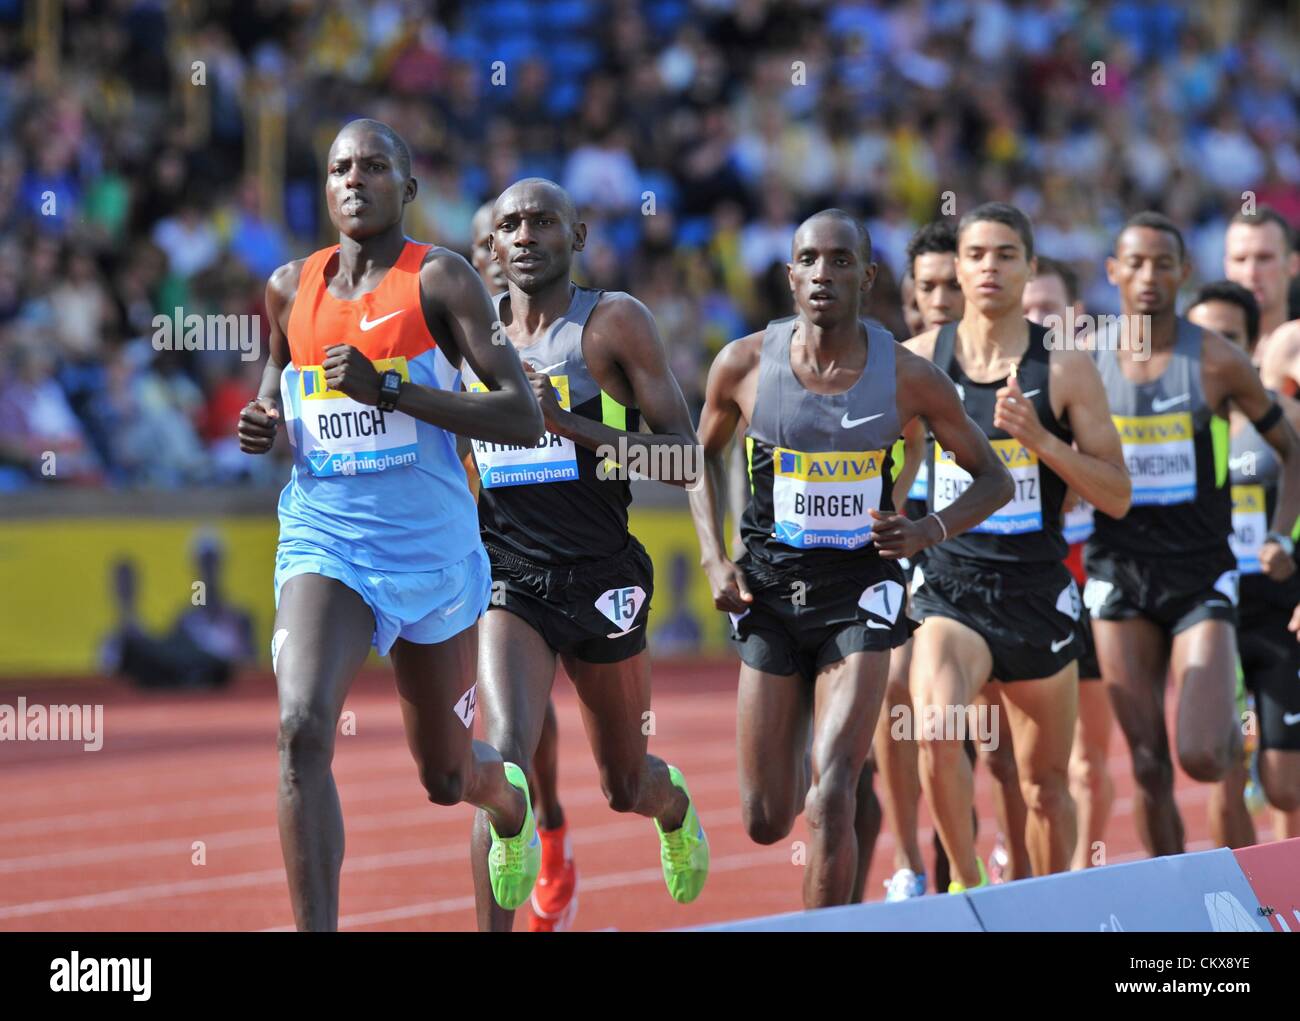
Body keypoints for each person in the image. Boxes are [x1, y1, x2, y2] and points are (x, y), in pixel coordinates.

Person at [237, 120, 545, 930]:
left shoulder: (441, 281)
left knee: (445, 776)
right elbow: (280, 368)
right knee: (302, 726)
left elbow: (521, 417)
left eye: (374, 166)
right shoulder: (287, 287)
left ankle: (508, 801)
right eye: (340, 166)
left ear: (407, 189)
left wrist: (394, 393)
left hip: (435, 558)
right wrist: (268, 415)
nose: (353, 179)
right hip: (326, 541)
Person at [690, 208, 1013, 908]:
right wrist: (717, 558)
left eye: (840, 261)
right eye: (809, 259)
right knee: (767, 816)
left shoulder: (910, 376)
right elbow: (697, 458)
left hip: (863, 587)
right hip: (770, 592)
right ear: (789, 275)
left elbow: (995, 478)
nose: (823, 273)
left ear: (867, 276)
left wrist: (928, 531)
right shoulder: (744, 363)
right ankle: (848, 793)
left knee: (829, 787)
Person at [463, 178, 709, 932]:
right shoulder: (471, 339)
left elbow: (684, 460)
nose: (525, 234)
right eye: (511, 224)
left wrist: (565, 423)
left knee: (625, 783)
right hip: (510, 580)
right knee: (504, 766)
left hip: (603, 575)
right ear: (493, 246)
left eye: (543, 221)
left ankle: (672, 806)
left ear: (577, 236)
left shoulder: (613, 324)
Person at [908, 203, 1130, 889]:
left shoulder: (1063, 367)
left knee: (1043, 790)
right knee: (939, 728)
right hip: (951, 587)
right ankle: (965, 886)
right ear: (958, 264)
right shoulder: (918, 361)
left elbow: (1117, 492)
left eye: (1006, 254)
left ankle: (1045, 905)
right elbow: (887, 469)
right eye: (976, 254)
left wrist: (1041, 441)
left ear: (1030, 266)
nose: (988, 268)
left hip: (1036, 591)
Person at [1086, 212, 1300, 857]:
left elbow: (1292, 451)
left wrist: (1284, 536)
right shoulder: (1085, 360)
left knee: (1204, 756)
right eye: (1136, 263)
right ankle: (1171, 899)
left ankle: (1236, 738)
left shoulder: (1216, 359)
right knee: (1148, 764)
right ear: (1113, 273)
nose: (1149, 276)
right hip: (1118, 570)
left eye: (1163, 264)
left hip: (1201, 570)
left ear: (1183, 272)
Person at [468, 199, 577, 931]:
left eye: (499, 242)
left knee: (542, 730)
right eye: (481, 246)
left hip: (581, 563)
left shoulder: (573, 336)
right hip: (486, 563)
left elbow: (671, 450)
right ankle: (534, 831)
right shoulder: (454, 339)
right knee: (500, 740)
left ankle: (554, 826)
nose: (492, 258)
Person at [1185, 281, 1300, 844]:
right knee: (1221, 771)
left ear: (1251, 346)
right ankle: (1242, 906)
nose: (1213, 348)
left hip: (1282, 616)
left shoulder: (1286, 418)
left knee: (1286, 786)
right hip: (1212, 616)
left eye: (1227, 337)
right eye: (1202, 336)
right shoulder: (1169, 418)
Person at [1023, 254, 1116, 871]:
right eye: (1027, 310)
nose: (1035, 320)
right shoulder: (981, 385)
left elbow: (1111, 485)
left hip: (1091, 579)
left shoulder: (1098, 384)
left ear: (1075, 317)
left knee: (1087, 758)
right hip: (1017, 581)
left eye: (1048, 311)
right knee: (1015, 756)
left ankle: (1085, 873)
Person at [1223, 208, 1300, 395]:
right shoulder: (1204, 343)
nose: (1251, 273)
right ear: (1226, 267)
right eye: (1240, 259)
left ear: (1293, 265)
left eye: (1264, 258)